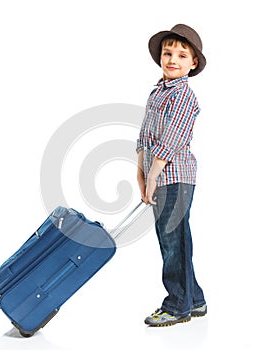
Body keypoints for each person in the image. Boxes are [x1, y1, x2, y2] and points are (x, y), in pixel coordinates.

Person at [136, 24, 207, 327]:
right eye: (168, 53)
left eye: (181, 54)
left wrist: (153, 174)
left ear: (193, 64)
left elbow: (173, 138)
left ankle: (177, 304)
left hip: (174, 178)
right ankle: (195, 298)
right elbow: (146, 134)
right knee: (175, 240)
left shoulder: (184, 96)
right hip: (157, 175)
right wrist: (140, 170)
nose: (172, 59)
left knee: (173, 241)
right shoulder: (158, 92)